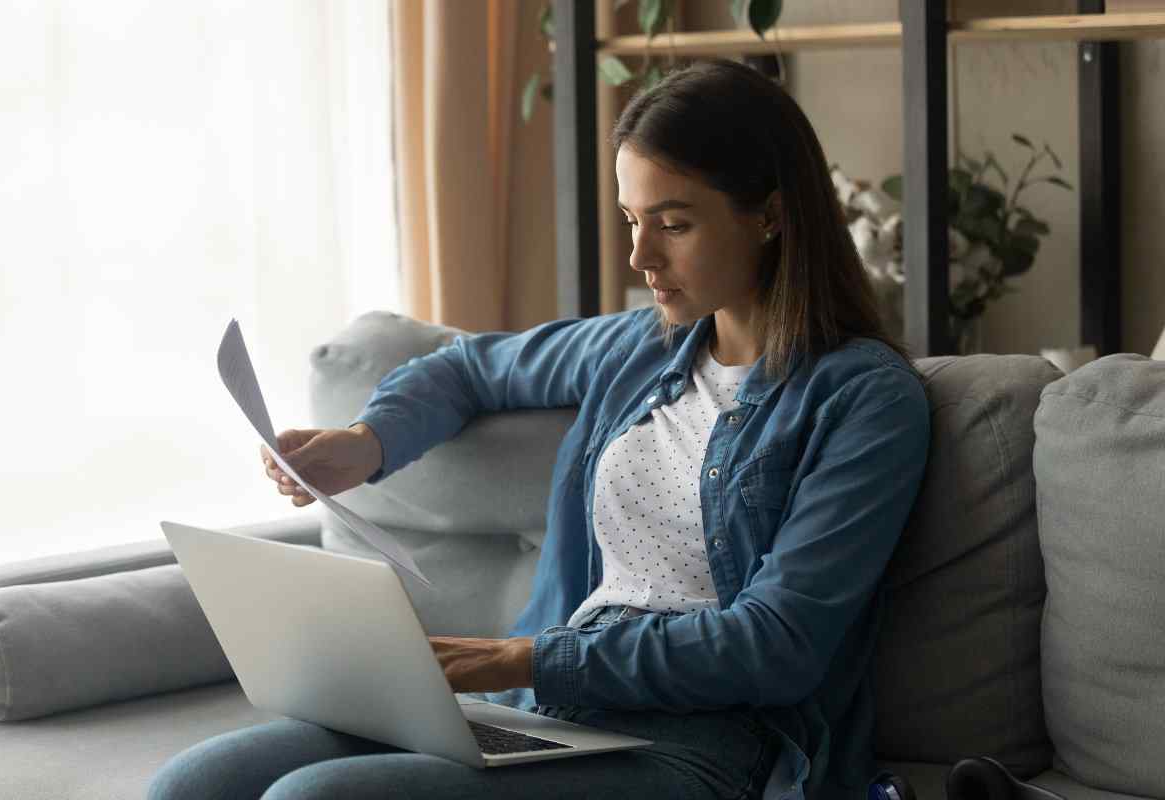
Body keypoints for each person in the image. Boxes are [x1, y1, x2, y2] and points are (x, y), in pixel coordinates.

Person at [148, 58, 930, 800]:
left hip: (710, 744)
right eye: (631, 219)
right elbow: (464, 368)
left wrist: (507, 658)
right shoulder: (638, 347)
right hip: (551, 713)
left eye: (673, 224)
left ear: (770, 215)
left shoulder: (864, 401)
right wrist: (366, 443)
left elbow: (775, 645)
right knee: (194, 785)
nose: (639, 256)